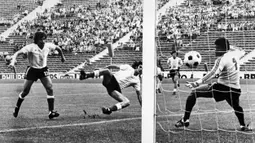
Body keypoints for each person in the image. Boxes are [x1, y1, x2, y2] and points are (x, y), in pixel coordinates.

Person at [175, 37, 251, 131]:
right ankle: (243, 125)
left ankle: (185, 119)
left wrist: (197, 83)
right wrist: (228, 46)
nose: (215, 50)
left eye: (217, 48)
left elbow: (213, 73)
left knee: (193, 93)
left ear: (223, 48)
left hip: (222, 88)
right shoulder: (235, 53)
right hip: (235, 89)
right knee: (237, 107)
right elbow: (242, 50)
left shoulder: (221, 59)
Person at [8, 31, 66, 119]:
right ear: (37, 40)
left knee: (50, 88)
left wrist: (62, 57)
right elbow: (17, 53)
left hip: (43, 69)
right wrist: (12, 62)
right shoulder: (31, 47)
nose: (43, 41)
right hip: (32, 70)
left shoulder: (48, 45)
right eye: (42, 39)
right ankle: (16, 108)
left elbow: (58, 48)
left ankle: (51, 112)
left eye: (44, 39)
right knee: (25, 92)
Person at [78, 61, 142, 115]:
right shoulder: (128, 67)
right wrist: (106, 67)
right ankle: (85, 76)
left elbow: (139, 95)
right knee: (107, 71)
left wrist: (143, 109)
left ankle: (108, 110)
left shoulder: (137, 81)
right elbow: (116, 66)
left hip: (115, 89)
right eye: (140, 67)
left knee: (127, 102)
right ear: (137, 67)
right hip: (111, 80)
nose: (141, 69)